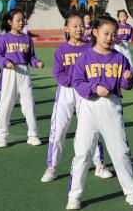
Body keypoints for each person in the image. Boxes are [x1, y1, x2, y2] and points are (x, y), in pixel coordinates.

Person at [67, 16, 133, 209]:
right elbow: (77, 82)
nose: (109, 37)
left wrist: (128, 79)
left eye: (113, 34)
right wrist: (94, 88)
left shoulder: (119, 58)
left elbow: (126, 85)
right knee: (82, 154)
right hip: (89, 108)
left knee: (120, 152)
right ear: (96, 32)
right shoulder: (85, 58)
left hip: (112, 107)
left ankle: (131, 192)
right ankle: (74, 196)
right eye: (106, 33)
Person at [41, 15, 112, 183]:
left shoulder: (91, 48)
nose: (79, 29)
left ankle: (99, 165)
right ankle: (52, 167)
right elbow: (58, 74)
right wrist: (75, 82)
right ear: (67, 29)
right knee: (58, 130)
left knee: (92, 130)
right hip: (66, 92)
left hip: (86, 92)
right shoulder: (61, 51)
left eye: (81, 26)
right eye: (74, 26)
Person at [0, 9, 44, 148]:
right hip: (9, 73)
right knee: (6, 106)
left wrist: (37, 63)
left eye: (23, 20)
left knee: (29, 105)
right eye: (18, 20)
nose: (21, 22)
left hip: (24, 72)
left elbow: (31, 57)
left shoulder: (27, 38)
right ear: (10, 22)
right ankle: (2, 136)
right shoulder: (4, 38)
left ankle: (33, 135)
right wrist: (5, 62)